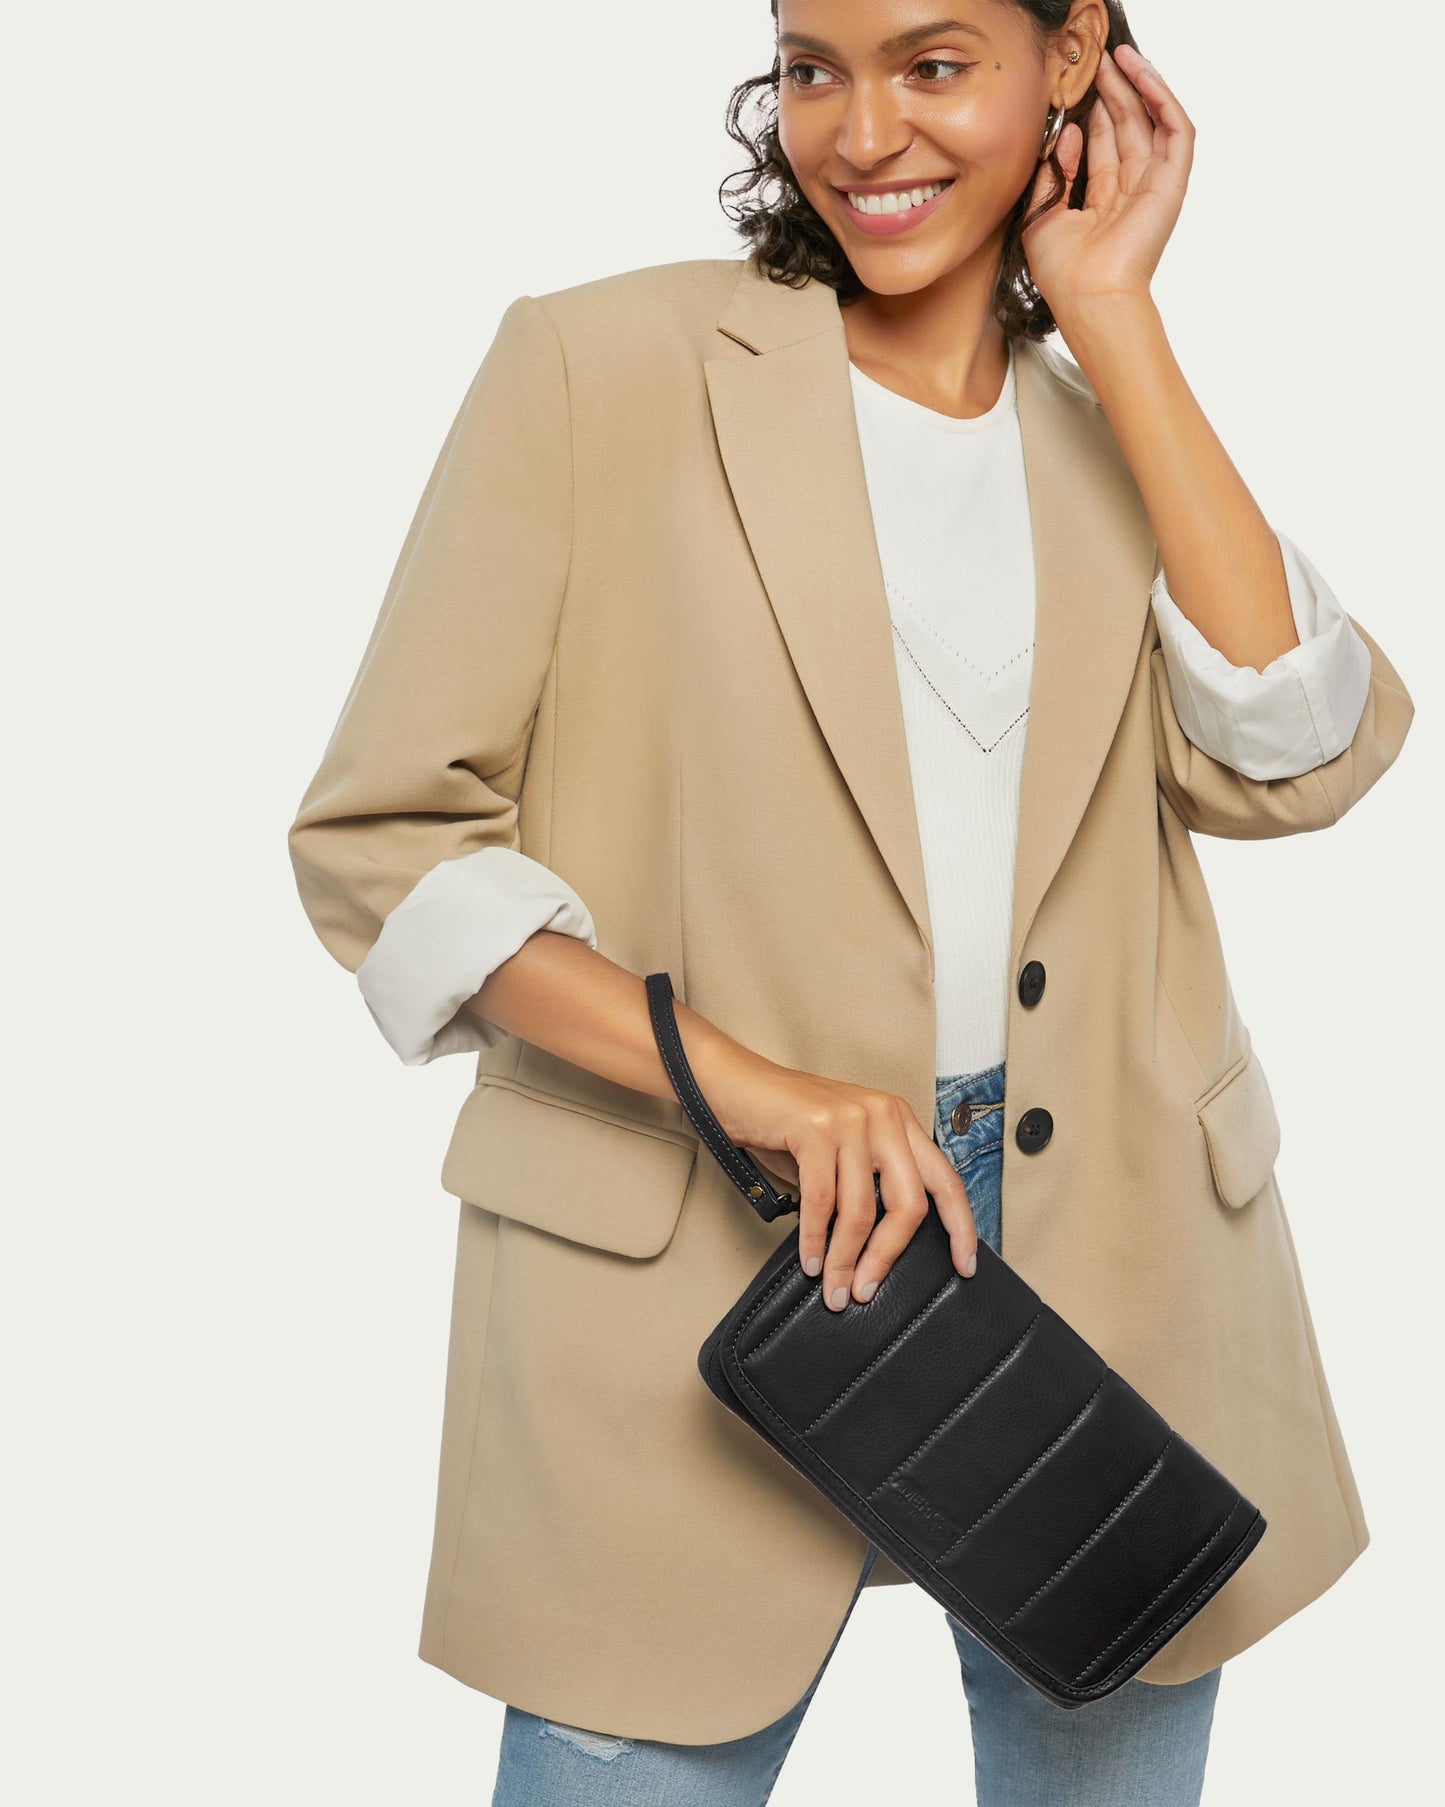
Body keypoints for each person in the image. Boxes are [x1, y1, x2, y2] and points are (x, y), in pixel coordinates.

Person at [286, 2, 1415, 1801]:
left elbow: (1296, 749)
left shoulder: (1102, 423)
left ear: (1074, 57)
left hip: (1108, 1254)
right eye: (814, 66)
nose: (861, 130)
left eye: (934, 62)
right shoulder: (605, 366)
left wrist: (1114, 316)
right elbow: (386, 839)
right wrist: (767, 1089)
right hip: (697, 1239)